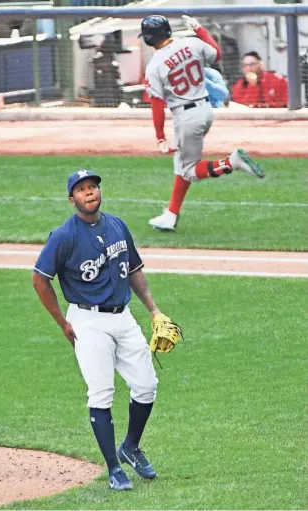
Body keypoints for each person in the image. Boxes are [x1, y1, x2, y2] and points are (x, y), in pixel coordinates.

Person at [33, 169, 166, 491]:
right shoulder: (64, 236)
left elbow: (134, 270)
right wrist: (62, 322)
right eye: (81, 189)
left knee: (147, 385)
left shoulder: (117, 225)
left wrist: (153, 309)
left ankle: (130, 447)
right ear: (72, 199)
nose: (89, 192)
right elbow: (40, 279)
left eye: (92, 187)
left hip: (123, 317)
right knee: (101, 393)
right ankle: (113, 468)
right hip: (87, 321)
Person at [139, 14, 264, 232]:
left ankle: (232, 162)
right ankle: (170, 215)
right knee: (182, 164)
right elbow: (217, 53)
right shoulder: (191, 42)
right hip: (205, 109)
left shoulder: (155, 65)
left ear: (150, 38)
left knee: (189, 170)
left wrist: (160, 136)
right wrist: (199, 28)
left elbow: (157, 104)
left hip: (186, 117)